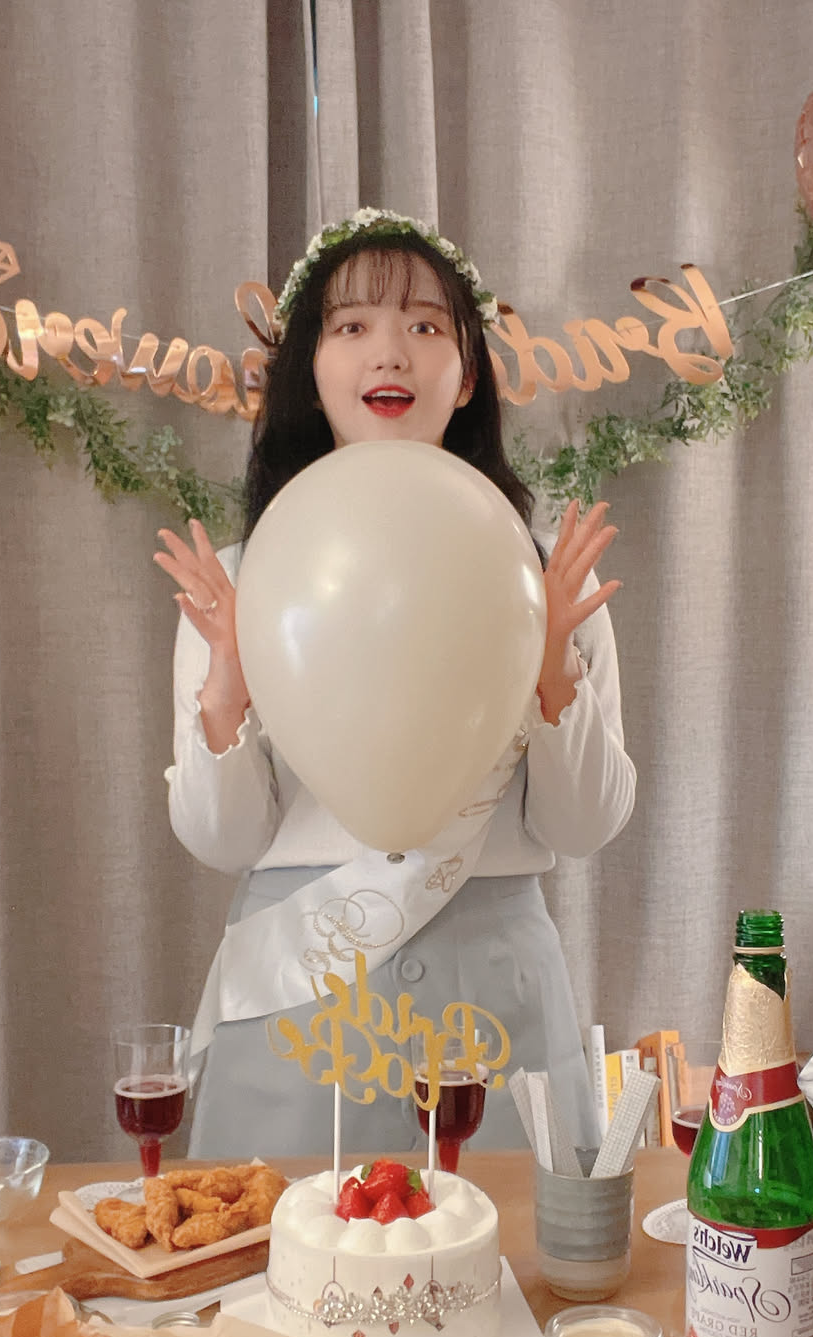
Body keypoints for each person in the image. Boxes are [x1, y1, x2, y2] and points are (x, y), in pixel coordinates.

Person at [154, 208, 635, 1158]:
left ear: (468, 375)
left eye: (424, 325)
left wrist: (552, 673)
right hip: (302, 999)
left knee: (508, 1247)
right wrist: (227, 693)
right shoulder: (241, 584)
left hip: (494, 997)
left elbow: (585, 827)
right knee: (286, 1249)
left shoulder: (544, 579)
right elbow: (221, 839)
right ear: (311, 369)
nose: (390, 352)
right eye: (352, 326)